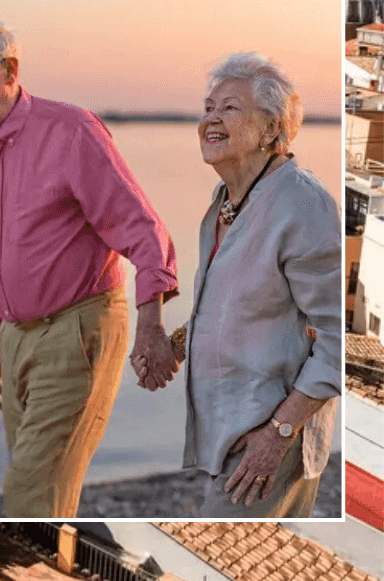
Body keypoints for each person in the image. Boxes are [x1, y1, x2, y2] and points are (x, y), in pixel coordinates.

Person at [0, 19, 180, 517]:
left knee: (33, 492)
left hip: (77, 329)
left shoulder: (71, 131)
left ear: (9, 70)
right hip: (14, 335)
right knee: (36, 487)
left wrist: (151, 325)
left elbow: (143, 229)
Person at [135, 52, 340, 517]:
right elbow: (243, 307)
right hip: (231, 430)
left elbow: (339, 341)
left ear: (272, 129)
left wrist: (279, 434)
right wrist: (176, 344)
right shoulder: (226, 201)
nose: (210, 119)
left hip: (268, 439)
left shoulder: (301, 206)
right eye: (208, 107)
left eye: (228, 108)